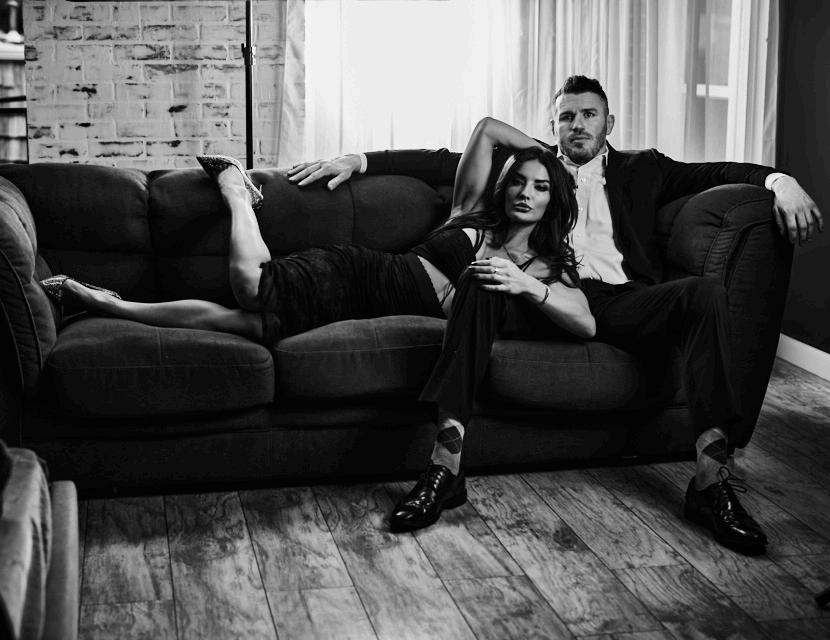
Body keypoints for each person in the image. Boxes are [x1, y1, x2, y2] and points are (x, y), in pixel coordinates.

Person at [287, 75, 824, 555]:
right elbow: (439, 161)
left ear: (609, 123)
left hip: (615, 299)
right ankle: (446, 467)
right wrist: (360, 161)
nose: (578, 124)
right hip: (540, 289)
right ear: (552, 126)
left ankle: (710, 481)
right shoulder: (532, 172)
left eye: (589, 114)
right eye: (567, 116)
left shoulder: (644, 169)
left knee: (703, 294)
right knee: (484, 274)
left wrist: (780, 181)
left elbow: (720, 170)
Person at [38, 117, 594, 532]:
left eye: (541, 186)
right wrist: (549, 154)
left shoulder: (546, 267)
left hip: (376, 312)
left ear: (555, 201)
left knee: (247, 326)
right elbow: (489, 129)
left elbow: (584, 320)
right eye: (520, 181)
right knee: (251, 286)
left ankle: (111, 305)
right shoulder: (470, 212)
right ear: (505, 185)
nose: (526, 193)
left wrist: (531, 285)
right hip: (358, 277)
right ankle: (238, 193)